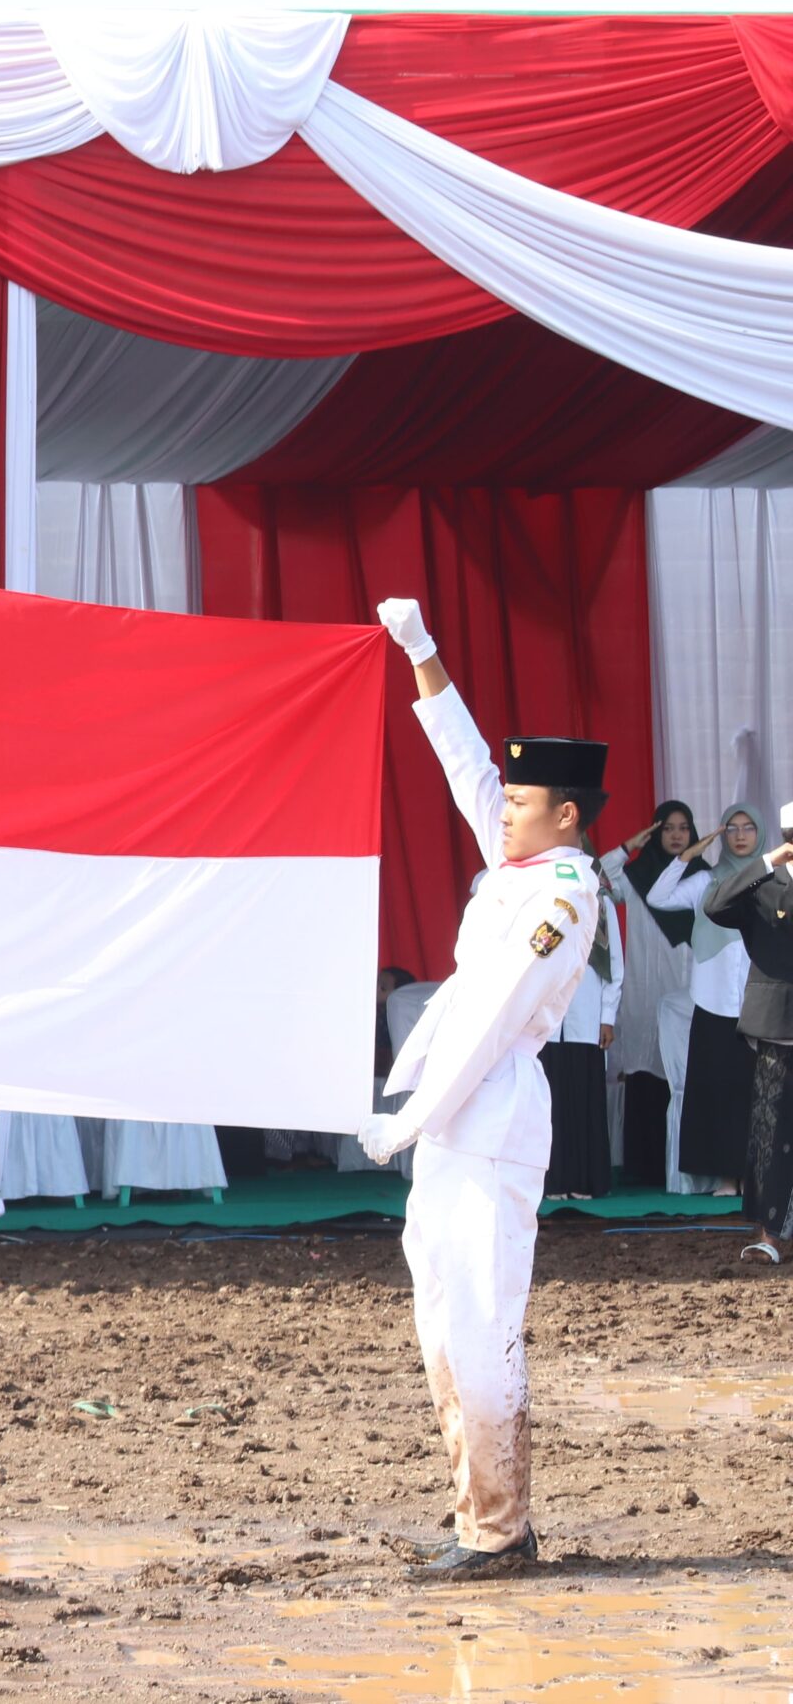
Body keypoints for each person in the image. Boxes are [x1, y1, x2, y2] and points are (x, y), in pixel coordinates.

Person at [359, 598, 606, 1577]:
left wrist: (401, 1119)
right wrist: (420, 654)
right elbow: (464, 762)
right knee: (441, 1324)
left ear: (567, 815)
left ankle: (501, 1533)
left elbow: (495, 1013)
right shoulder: (514, 863)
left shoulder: (561, 896)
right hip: (454, 1120)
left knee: (482, 1324)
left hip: (494, 1106)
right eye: (503, 801)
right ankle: (479, 1518)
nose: (500, 808)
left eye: (519, 802)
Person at [646, 803, 762, 1189]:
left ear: (761, 834)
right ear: (722, 835)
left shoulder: (774, 880)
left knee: (757, 1093)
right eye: (733, 828)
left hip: (761, 1003)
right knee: (719, 1091)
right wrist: (687, 856)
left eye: (748, 828)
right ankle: (727, 1179)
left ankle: (758, 1180)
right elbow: (658, 897)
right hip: (713, 1002)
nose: (741, 835)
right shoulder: (706, 882)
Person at [697, 806, 793, 1265]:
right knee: (770, 1133)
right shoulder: (764, 886)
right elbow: (714, 905)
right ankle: (769, 1235)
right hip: (778, 1027)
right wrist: (766, 862)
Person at [604, 803, 697, 1185]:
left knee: (682, 1073)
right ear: (656, 833)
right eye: (668, 828)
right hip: (643, 989)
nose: (676, 835)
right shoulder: (636, 875)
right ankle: (643, 1169)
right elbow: (597, 878)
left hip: (685, 989)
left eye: (684, 828)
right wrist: (628, 846)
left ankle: (683, 1167)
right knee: (645, 1071)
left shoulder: (700, 876)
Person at [539, 853, 623, 1198]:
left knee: (584, 1098)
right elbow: (536, 954)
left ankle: (586, 1180)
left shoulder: (601, 906)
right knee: (549, 1101)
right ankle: (553, 1180)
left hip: (586, 1018)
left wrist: (607, 1016)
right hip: (545, 1018)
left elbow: (614, 965)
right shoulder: (543, 903)